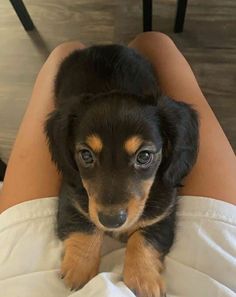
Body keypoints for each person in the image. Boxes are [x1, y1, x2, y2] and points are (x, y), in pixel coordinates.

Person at [0, 32, 235, 297]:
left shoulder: (160, 189)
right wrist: (83, 243)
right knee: (153, 42)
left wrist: (143, 252)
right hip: (84, 76)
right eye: (87, 156)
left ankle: (124, 44)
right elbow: (71, 192)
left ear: (168, 149)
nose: (110, 207)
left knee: (66, 50)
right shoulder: (70, 134)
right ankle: (137, 41)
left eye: (143, 157)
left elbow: (161, 221)